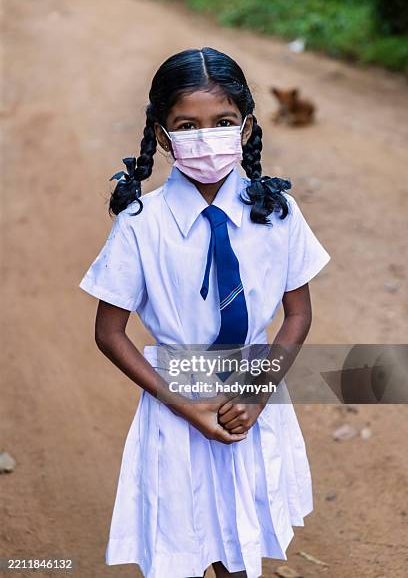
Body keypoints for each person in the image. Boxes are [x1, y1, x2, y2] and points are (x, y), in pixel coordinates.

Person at [79, 47, 331, 578]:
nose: (206, 136)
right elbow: (109, 332)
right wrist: (184, 407)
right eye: (187, 125)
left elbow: (298, 314)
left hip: (251, 398)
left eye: (222, 122)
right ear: (164, 136)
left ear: (245, 128)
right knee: (187, 535)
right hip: (178, 405)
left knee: (239, 533)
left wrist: (258, 394)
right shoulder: (140, 224)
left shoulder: (277, 213)